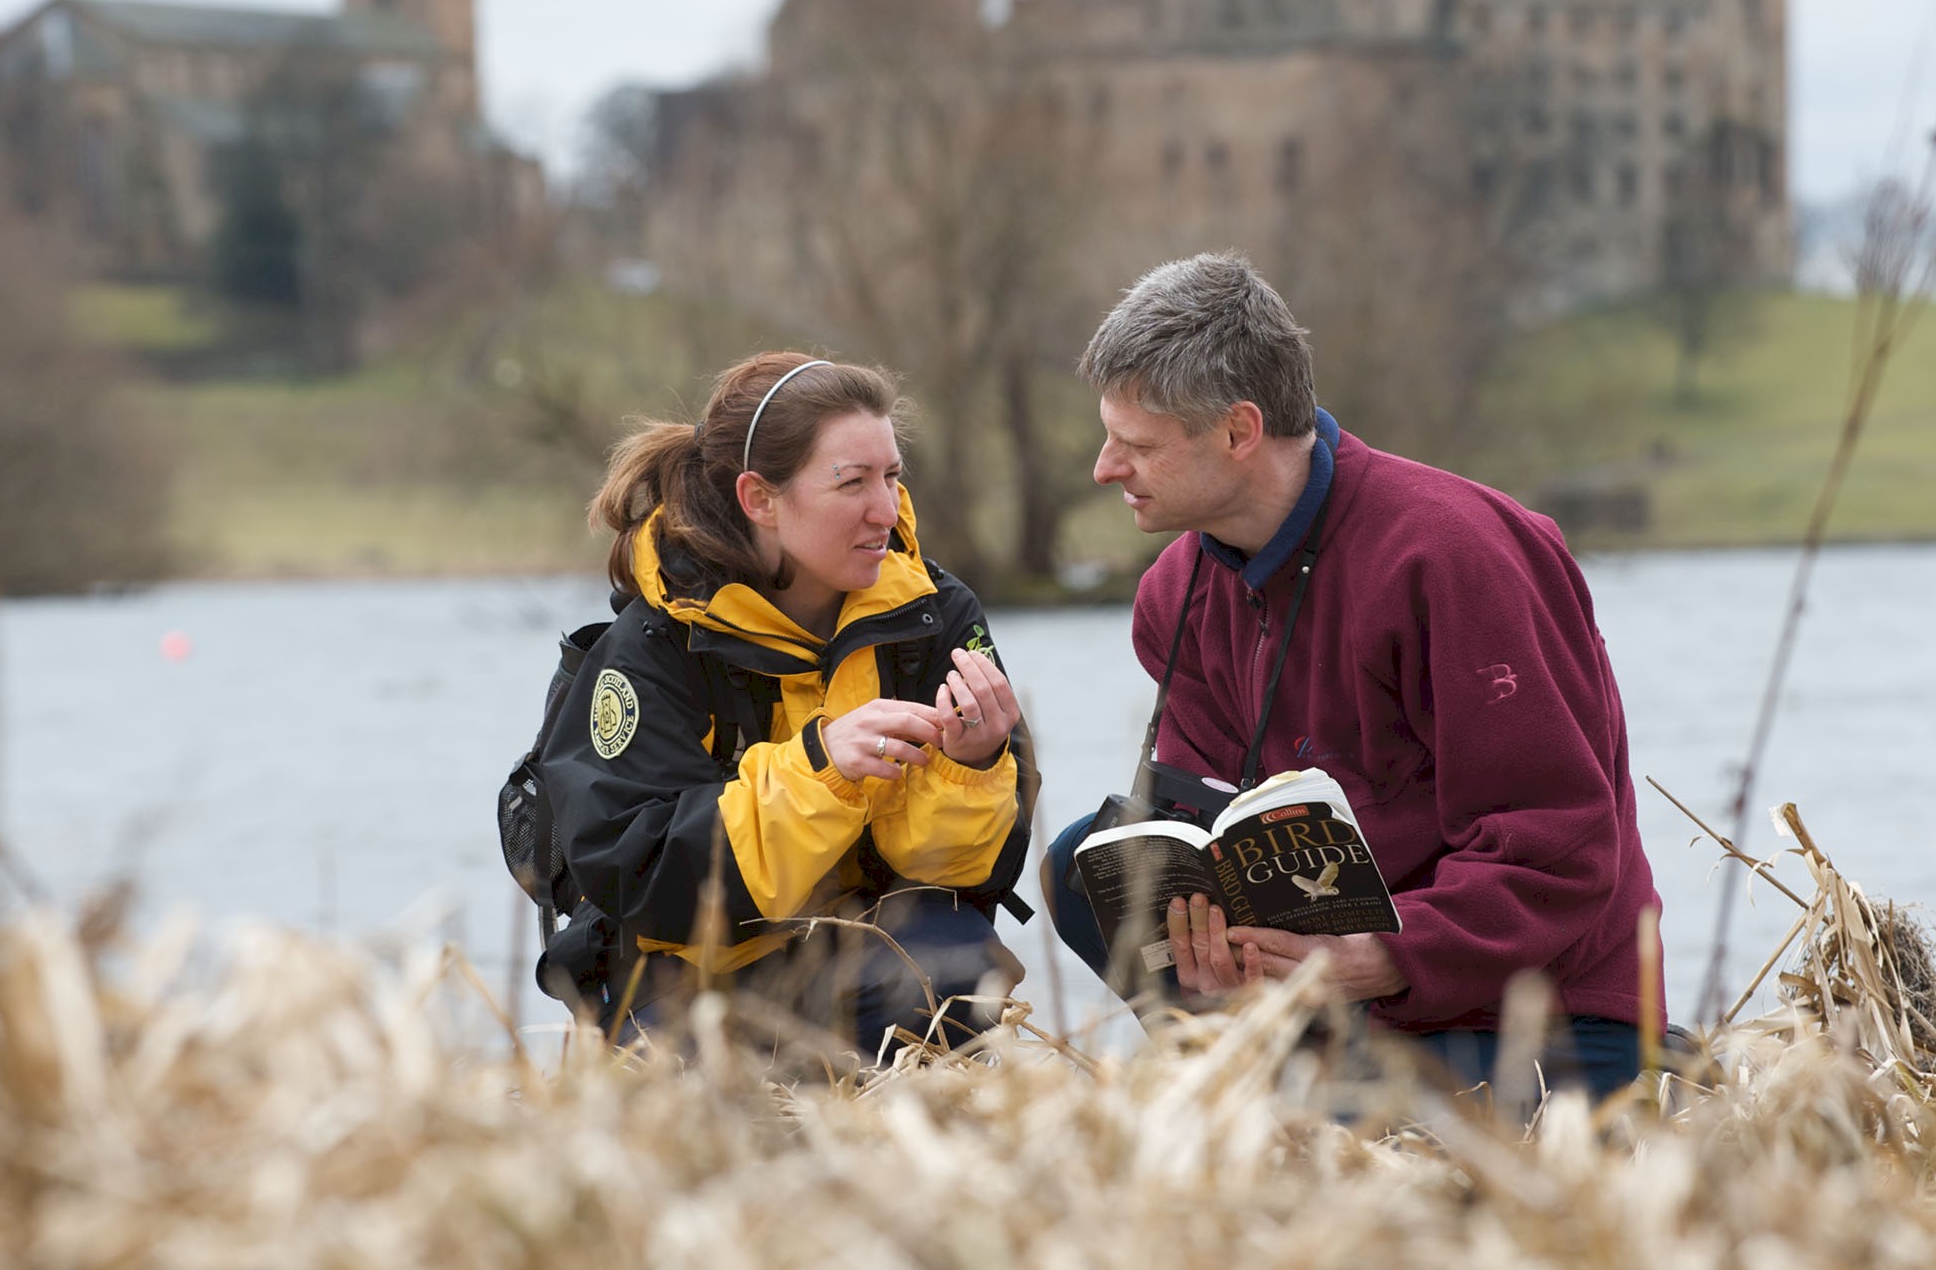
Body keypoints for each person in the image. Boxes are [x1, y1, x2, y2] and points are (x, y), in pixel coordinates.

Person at [1044, 253, 1664, 1098]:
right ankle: (1262, 1084)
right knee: (1085, 861)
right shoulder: (1171, 594)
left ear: (1238, 432)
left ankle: (1310, 1095)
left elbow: (1559, 843)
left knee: (1355, 1143)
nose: (1104, 469)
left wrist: (1387, 954)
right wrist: (1215, 942)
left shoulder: (1457, 554)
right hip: (1330, 995)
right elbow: (1209, 821)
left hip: (1541, 1011)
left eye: (1136, 446)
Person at [534, 351, 1035, 1063]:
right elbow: (636, 874)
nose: (885, 510)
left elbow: (967, 877)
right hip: (691, 978)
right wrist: (821, 769)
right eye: (851, 482)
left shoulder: (937, 614)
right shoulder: (653, 644)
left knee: (953, 972)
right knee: (710, 1094)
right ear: (760, 500)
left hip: (868, 955)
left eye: (892, 476)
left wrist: (971, 765)